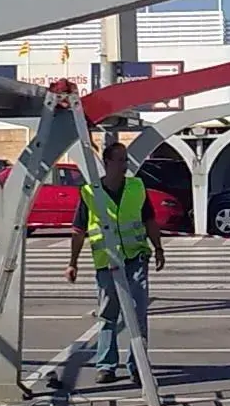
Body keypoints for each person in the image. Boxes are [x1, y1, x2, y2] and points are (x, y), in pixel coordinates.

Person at [64, 143, 165, 385]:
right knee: (108, 314)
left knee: (137, 314)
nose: (125, 165)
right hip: (106, 262)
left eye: (126, 160)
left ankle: (137, 365)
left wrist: (159, 247)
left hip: (135, 258)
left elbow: (149, 219)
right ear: (107, 162)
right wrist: (73, 262)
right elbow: (78, 231)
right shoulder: (90, 192)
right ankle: (106, 366)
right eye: (120, 160)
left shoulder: (136, 187)